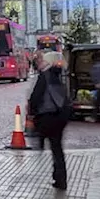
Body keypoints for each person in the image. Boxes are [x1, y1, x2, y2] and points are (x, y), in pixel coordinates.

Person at [29, 51, 71, 190]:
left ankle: (59, 178)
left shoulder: (44, 76)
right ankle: (60, 178)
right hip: (61, 115)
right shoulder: (59, 75)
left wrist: (31, 113)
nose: (40, 63)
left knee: (54, 146)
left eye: (43, 61)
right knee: (57, 148)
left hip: (48, 115)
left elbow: (36, 97)